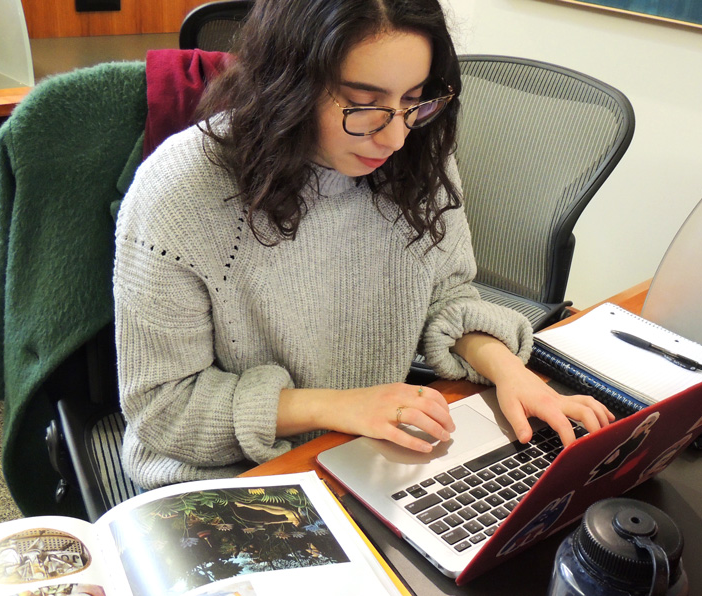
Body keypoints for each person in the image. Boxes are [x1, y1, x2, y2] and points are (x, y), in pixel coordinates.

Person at [113, 0, 613, 490]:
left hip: (365, 453)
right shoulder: (180, 192)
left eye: (412, 101)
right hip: (228, 476)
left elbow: (445, 296)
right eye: (366, 104)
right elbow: (163, 407)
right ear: (288, 85)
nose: (395, 136)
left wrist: (511, 372)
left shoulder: (414, 155)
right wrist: (339, 406)